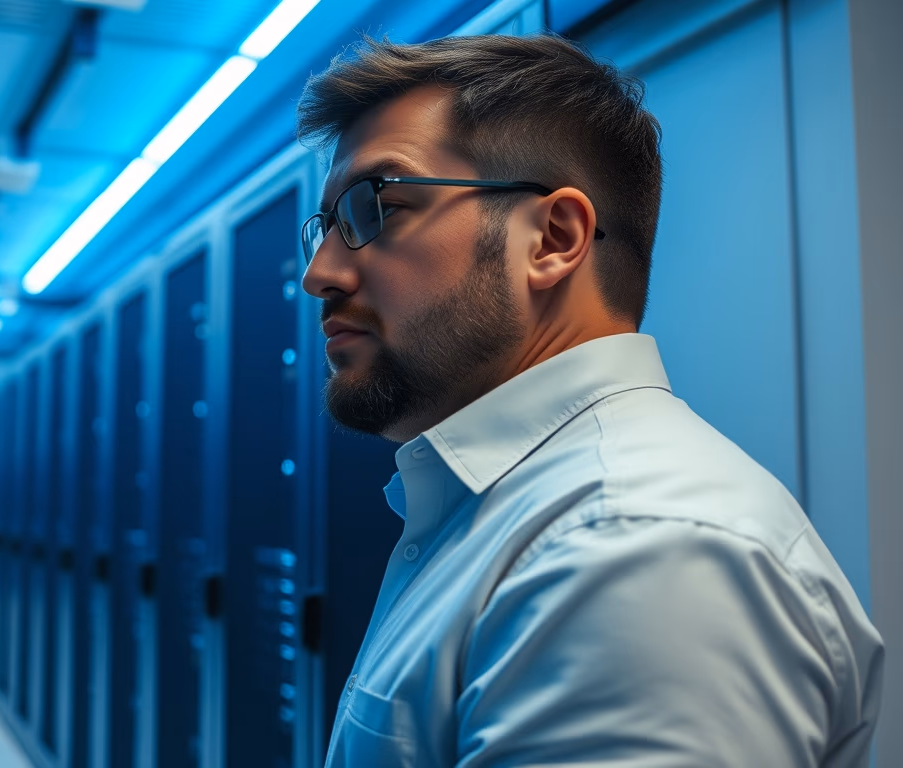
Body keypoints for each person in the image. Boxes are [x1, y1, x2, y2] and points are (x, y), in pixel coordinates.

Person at [297, 33, 883, 767]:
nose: (320, 273)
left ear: (553, 237)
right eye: (323, 229)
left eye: (373, 208)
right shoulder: (514, 515)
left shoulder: (635, 550)